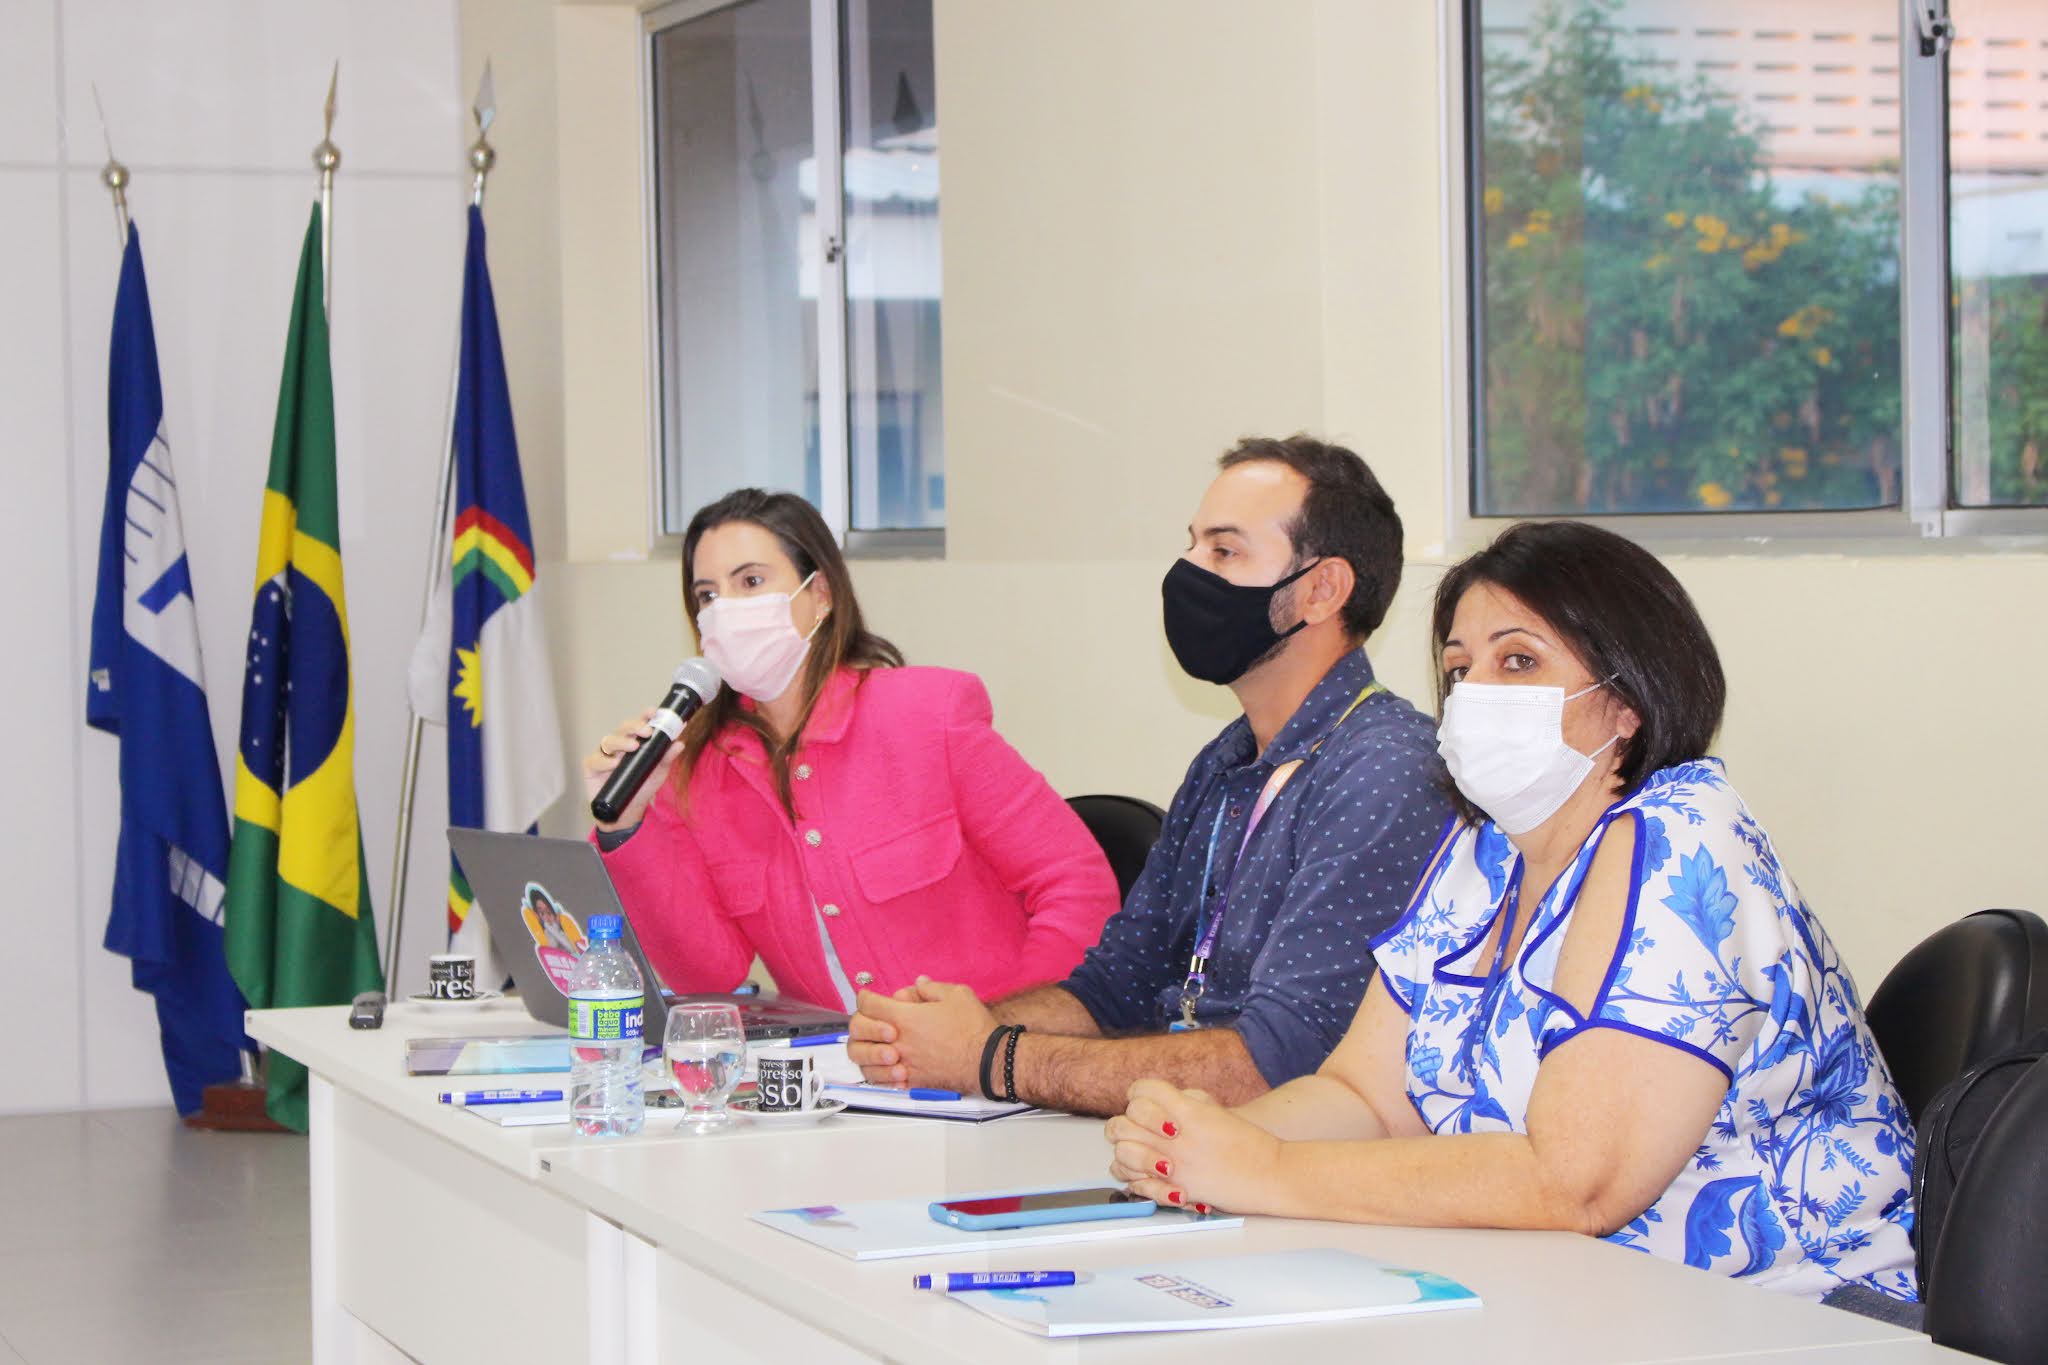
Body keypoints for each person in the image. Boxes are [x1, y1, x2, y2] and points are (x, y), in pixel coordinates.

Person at [1104, 520, 1918, 1306]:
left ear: (1627, 701)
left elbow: (1576, 1181)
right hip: (1572, 1296)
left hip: (1791, 1313)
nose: (1476, 694)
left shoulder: (1682, 836)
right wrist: (1202, 1142)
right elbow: (1367, 1095)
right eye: (1460, 669)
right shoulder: (1485, 849)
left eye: (1519, 660)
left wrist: (1269, 1170)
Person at [849, 436, 1455, 1116]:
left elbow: (1279, 1063)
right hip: (1183, 1134)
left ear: (1321, 589)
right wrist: (946, 1033)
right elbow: (1116, 989)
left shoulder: (1385, 772)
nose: (1187, 570)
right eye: (1192, 545)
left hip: (1277, 1151)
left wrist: (992, 1058)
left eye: (1224, 551)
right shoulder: (1226, 761)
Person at [585, 488, 1119, 1011]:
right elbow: (708, 976)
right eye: (708, 596)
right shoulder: (698, 770)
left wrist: (1005, 1032)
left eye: (750, 582)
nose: (725, 609)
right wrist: (628, 826)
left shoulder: (930, 714)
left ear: (820, 594)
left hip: (989, 1055)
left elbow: (1077, 883)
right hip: (834, 1062)